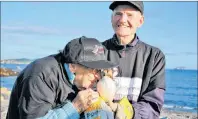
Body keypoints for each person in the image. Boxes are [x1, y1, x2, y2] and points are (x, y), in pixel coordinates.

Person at [6, 36, 120, 119]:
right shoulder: (41, 75)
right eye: (94, 69)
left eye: (100, 70)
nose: (98, 76)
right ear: (73, 66)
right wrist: (75, 107)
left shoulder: (80, 80)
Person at [102, 1, 166, 119]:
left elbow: (153, 105)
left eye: (129, 15)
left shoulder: (154, 56)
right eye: (118, 14)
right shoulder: (97, 52)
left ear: (140, 21)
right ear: (111, 19)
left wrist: (124, 110)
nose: (122, 19)